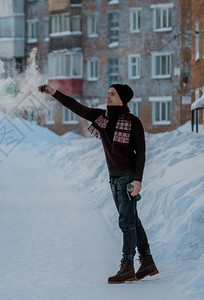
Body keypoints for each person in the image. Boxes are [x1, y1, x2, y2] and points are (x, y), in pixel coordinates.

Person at [39, 83, 158, 284]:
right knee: (132, 220)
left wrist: (138, 180)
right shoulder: (101, 118)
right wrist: (54, 92)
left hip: (127, 178)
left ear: (122, 98)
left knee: (126, 223)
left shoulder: (133, 122)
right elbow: (76, 106)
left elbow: (141, 154)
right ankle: (147, 261)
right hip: (114, 178)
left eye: (112, 94)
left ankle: (128, 266)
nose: (108, 97)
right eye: (108, 93)